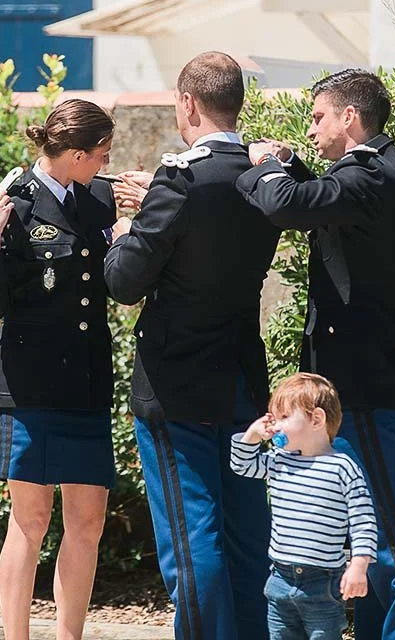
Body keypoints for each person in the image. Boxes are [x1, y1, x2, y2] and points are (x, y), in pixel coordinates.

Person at [236, 68, 395, 640]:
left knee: (394, 545)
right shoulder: (371, 174)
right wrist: (287, 166)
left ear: (349, 117)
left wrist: (263, 165)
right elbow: (318, 197)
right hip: (361, 387)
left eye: (318, 116)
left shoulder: (373, 176)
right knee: (372, 543)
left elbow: (289, 205)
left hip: (369, 389)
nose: (310, 128)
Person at [104, 51, 281, 640]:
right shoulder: (263, 176)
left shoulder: (180, 176)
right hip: (241, 378)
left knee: (192, 538)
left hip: (177, 385)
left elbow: (125, 281)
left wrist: (127, 228)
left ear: (187, 103)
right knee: (247, 536)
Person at [0, 99, 118, 640]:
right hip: (30, 386)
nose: (105, 162)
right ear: (75, 154)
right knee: (29, 523)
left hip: (85, 382)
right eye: (100, 153)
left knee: (88, 522)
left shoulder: (99, 198)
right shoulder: (13, 202)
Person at [231, 372, 378, 640]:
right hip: (279, 578)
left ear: (316, 419)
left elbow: (364, 520)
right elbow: (242, 465)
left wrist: (359, 564)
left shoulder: (342, 468)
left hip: (321, 583)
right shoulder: (279, 461)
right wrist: (252, 435)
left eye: (284, 418)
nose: (276, 427)